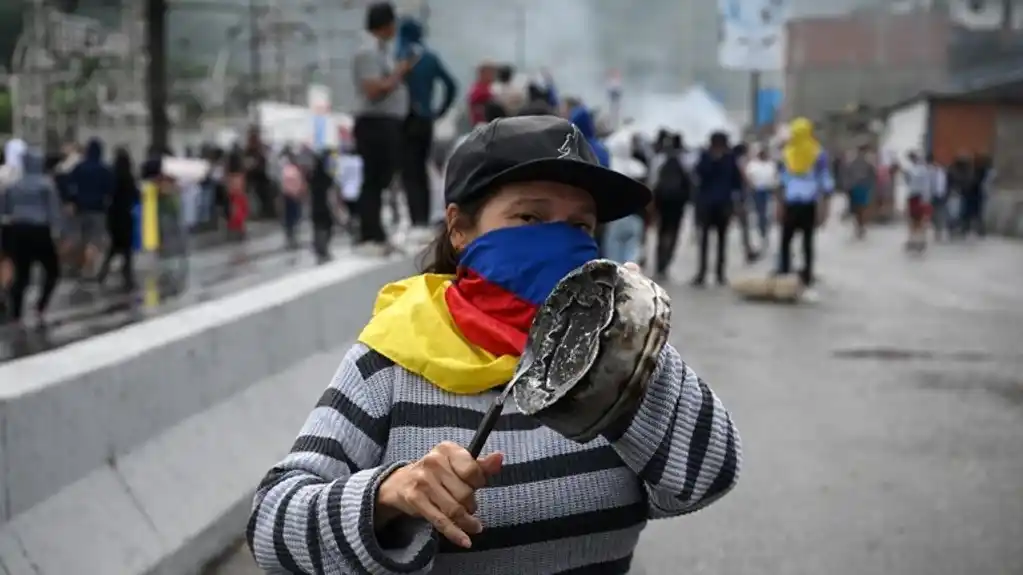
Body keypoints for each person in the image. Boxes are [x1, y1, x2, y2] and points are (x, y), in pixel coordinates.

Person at [247, 115, 741, 575]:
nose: (560, 244)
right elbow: (273, 525)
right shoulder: (392, 360)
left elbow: (705, 477)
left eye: (580, 226)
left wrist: (636, 348)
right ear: (460, 228)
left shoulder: (609, 358)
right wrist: (387, 498)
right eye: (530, 218)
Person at [352, 1, 412, 255]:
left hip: (386, 122)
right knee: (374, 179)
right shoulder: (367, 52)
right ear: (385, 25)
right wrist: (398, 74)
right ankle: (370, 233)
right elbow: (373, 90)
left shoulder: (381, 50)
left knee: (383, 178)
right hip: (374, 122)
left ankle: (376, 231)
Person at [397, 17, 457, 236]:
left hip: (405, 118)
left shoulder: (400, 55)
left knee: (408, 169)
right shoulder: (430, 57)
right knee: (422, 167)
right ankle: (423, 218)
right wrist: (439, 110)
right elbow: (451, 85)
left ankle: (416, 220)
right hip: (426, 119)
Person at [0, 148, 62, 325]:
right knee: (52, 270)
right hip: (40, 231)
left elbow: (4, 209)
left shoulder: (13, 185)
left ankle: (16, 313)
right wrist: (58, 233)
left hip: (17, 230)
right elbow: (53, 211)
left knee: (21, 274)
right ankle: (40, 306)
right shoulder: (46, 184)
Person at [777, 118, 833, 297]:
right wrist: (824, 207)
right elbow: (825, 181)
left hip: (791, 202)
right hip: (809, 203)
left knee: (786, 239)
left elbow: (782, 181)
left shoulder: (787, 153)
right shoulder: (818, 153)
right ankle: (807, 274)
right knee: (807, 242)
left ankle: (785, 270)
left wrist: (779, 205)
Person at [693, 131, 742, 286]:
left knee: (722, 240)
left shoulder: (730, 158)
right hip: (707, 203)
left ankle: (720, 274)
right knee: (704, 241)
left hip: (723, 204)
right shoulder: (705, 157)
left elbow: (736, 181)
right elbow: (699, 175)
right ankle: (702, 273)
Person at [67, 138, 115, 278]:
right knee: (95, 239)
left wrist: (72, 201)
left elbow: (71, 186)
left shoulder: (79, 167)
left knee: (81, 237)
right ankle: (89, 267)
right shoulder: (105, 169)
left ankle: (79, 265)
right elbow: (110, 189)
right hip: (98, 209)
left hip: (81, 208)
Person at [648, 132, 693, 278]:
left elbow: (653, 181)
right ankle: (666, 261)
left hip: (662, 201)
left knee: (662, 232)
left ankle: (659, 263)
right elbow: (691, 183)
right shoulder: (686, 159)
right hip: (678, 203)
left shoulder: (659, 159)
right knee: (673, 232)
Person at [97, 148, 139, 290]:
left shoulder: (111, 175)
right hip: (125, 215)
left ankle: (103, 273)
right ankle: (127, 276)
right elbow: (135, 196)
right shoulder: (129, 178)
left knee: (114, 247)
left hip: (113, 215)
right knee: (126, 249)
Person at [309, 150, 338, 263]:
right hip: (325, 206)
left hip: (315, 206)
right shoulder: (327, 177)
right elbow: (331, 193)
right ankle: (324, 250)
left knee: (317, 228)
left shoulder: (312, 177)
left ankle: (320, 250)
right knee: (327, 228)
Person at [844, 144, 874, 239]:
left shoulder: (853, 161)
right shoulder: (866, 162)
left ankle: (860, 226)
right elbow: (872, 175)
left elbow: (871, 175)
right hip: (860, 187)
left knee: (858, 208)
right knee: (861, 208)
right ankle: (860, 226)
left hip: (858, 187)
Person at [903, 151, 931, 251]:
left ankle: (920, 239)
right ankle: (913, 239)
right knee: (912, 219)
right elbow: (907, 182)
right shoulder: (910, 169)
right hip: (912, 196)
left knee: (920, 219)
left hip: (920, 196)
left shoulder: (923, 169)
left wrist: (926, 198)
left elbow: (926, 184)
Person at [279, 150, 307, 250]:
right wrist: (300, 193)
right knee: (295, 217)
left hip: (287, 196)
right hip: (295, 197)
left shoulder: (285, 170)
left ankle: (290, 237)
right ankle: (293, 238)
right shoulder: (296, 170)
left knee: (289, 219)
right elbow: (300, 184)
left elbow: (283, 185)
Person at [960, 153, 991, 238]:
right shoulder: (975, 171)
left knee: (972, 214)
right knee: (975, 214)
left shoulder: (978, 172)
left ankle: (974, 230)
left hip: (974, 196)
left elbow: (975, 183)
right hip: (974, 196)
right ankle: (975, 230)